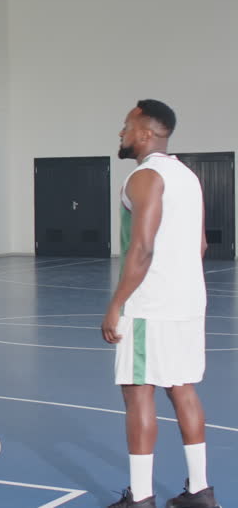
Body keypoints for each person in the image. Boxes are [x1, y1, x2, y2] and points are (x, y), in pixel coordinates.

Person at [102, 100, 219, 508]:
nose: (121, 133)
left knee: (138, 392)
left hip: (149, 306)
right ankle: (201, 491)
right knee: (183, 389)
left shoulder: (145, 176)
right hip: (188, 302)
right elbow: (201, 244)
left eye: (126, 126)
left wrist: (117, 304)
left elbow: (143, 247)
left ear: (146, 132)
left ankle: (141, 497)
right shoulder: (187, 176)